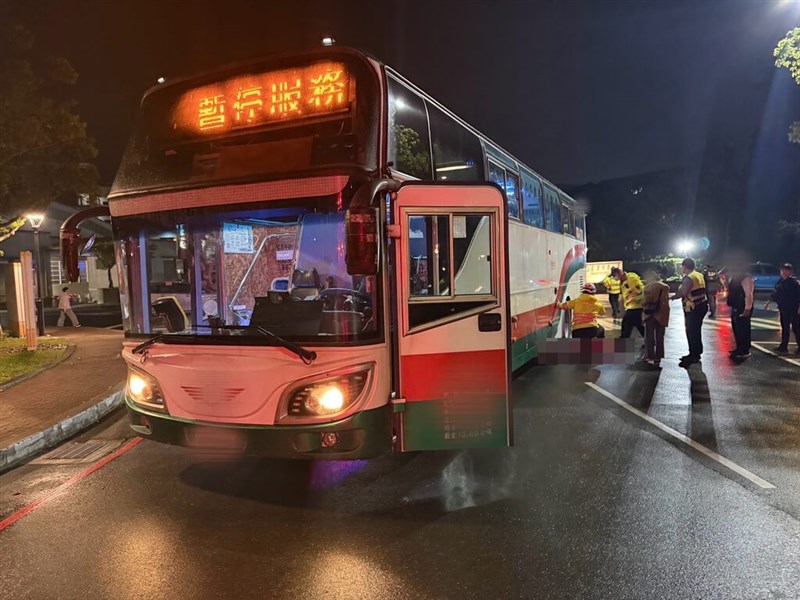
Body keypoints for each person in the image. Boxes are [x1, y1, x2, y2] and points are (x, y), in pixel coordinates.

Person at [670, 257, 708, 366]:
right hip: (701, 304)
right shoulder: (699, 275)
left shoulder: (688, 278)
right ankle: (696, 352)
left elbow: (683, 292)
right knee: (696, 330)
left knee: (691, 331)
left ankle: (693, 355)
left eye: (682, 266)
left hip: (692, 307)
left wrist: (673, 297)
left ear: (685, 266)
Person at [764, 262, 800, 354]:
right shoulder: (780, 281)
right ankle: (783, 346)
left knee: (796, 328)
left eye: (786, 270)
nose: (784, 272)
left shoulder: (794, 283)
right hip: (783, 308)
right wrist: (769, 302)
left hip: (793, 308)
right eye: (782, 270)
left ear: (790, 272)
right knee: (785, 327)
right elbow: (776, 293)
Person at [726, 264, 755, 361]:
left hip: (742, 306)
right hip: (735, 306)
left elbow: (749, 294)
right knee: (737, 329)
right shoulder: (735, 278)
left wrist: (747, 308)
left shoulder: (746, 278)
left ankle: (745, 350)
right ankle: (739, 348)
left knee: (744, 329)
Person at [643, 272, 670, 367]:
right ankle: (659, 356)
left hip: (651, 315)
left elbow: (645, 301)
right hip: (662, 314)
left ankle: (650, 356)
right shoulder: (665, 287)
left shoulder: (647, 288)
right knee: (660, 336)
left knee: (649, 337)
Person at [611, 267, 644, 339]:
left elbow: (641, 291)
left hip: (636, 306)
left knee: (627, 324)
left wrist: (635, 298)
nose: (614, 278)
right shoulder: (623, 281)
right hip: (630, 306)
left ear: (619, 273)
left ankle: (624, 339)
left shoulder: (632, 279)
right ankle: (649, 340)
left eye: (615, 275)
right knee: (637, 324)